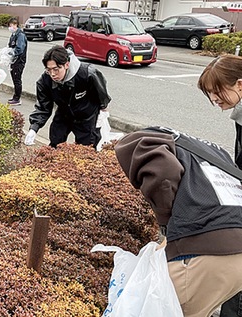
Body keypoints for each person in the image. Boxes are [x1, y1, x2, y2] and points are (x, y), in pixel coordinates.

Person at [114, 126, 242, 317]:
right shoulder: (212, 150)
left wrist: (165, 221)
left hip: (205, 254)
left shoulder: (140, 142)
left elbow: (163, 175)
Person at [198, 54, 242, 317]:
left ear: (240, 84)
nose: (214, 100)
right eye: (210, 94)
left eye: (217, 92)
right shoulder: (240, 113)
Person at [24, 45, 111, 148]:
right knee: (55, 142)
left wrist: (102, 109)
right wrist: (34, 128)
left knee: (86, 149)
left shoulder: (87, 74)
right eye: (49, 70)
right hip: (64, 113)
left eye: (56, 69)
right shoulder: (45, 81)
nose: (52, 74)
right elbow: (43, 107)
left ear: (66, 65)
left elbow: (101, 93)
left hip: (86, 115)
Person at [7, 17, 27, 106]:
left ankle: (17, 98)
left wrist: (12, 52)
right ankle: (15, 96)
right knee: (14, 79)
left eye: (12, 25)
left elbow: (20, 49)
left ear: (16, 25)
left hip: (19, 61)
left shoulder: (20, 35)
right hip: (14, 61)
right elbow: (10, 46)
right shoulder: (14, 35)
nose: (10, 27)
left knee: (17, 79)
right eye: (9, 26)